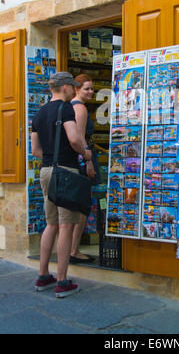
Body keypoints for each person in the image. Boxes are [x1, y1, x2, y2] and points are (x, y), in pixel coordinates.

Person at [31, 71, 92, 298]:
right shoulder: (65, 108)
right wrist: (85, 153)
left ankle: (43, 275)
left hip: (46, 171)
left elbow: (36, 150)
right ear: (66, 88)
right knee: (66, 226)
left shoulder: (39, 113)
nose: (74, 91)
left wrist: (50, 158)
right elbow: (75, 138)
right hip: (65, 171)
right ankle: (62, 281)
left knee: (51, 224)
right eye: (73, 87)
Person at [70, 73, 104, 264]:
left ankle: (72, 248)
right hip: (84, 158)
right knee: (83, 205)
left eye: (92, 89)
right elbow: (81, 138)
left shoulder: (69, 107)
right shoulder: (80, 108)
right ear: (77, 89)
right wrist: (89, 162)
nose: (91, 92)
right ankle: (75, 249)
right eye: (87, 89)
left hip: (76, 159)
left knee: (76, 205)